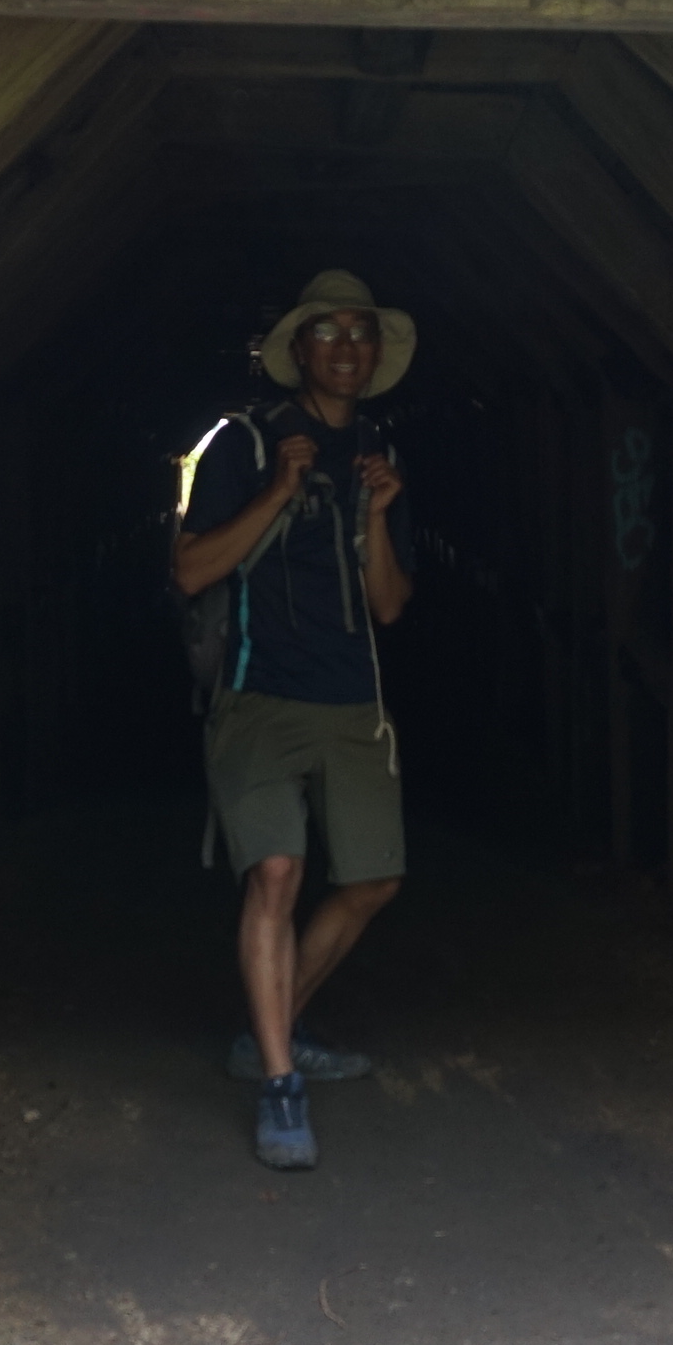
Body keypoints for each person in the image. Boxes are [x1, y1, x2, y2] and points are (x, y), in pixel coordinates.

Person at [172, 270, 417, 1172]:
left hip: (354, 702)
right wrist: (277, 492)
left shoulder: (380, 452)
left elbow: (390, 607)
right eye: (329, 332)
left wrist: (380, 516)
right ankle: (281, 1087)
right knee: (275, 872)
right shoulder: (244, 442)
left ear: (376, 353)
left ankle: (267, 1027)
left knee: (372, 881)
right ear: (298, 350)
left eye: (362, 332)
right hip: (258, 696)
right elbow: (192, 571)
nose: (347, 346)